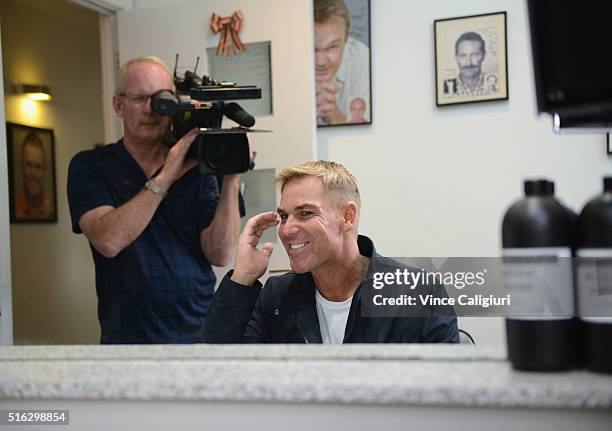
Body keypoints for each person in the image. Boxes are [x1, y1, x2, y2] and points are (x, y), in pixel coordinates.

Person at [67, 56, 243, 344]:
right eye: (139, 98)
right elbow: (108, 240)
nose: (151, 109)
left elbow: (220, 253)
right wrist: (166, 176)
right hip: (127, 339)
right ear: (118, 105)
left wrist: (231, 178)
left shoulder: (198, 168)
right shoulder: (91, 166)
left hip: (199, 335)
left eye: (161, 98)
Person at [202, 161, 458, 343]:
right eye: (283, 216)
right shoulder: (276, 296)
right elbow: (216, 370)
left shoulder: (417, 292)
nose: (287, 229)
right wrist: (242, 280)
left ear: (347, 217)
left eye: (305, 213)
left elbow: (445, 398)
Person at [315, 0, 370, 125]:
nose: (321, 62)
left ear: (346, 39)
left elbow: (365, 137)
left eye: (332, 47)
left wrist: (333, 114)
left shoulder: (362, 60)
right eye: (312, 49)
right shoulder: (284, 61)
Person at [15, 132, 53, 220]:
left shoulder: (51, 207)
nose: (33, 174)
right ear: (22, 166)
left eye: (38, 166)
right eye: (28, 165)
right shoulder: (13, 205)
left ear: (44, 169)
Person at [446, 31, 496, 98]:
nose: (468, 63)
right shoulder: (445, 88)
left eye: (475, 55)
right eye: (463, 56)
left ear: (483, 55)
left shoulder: (497, 85)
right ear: (456, 58)